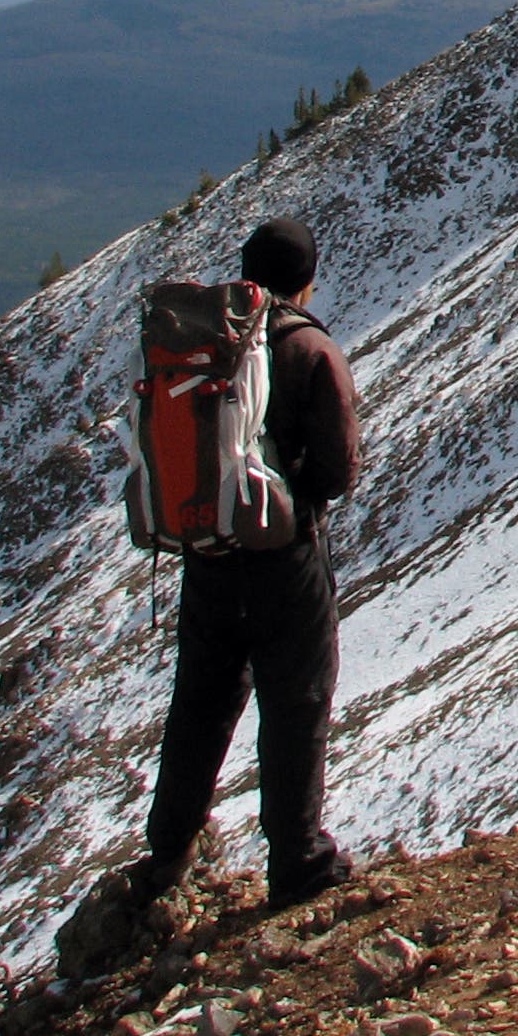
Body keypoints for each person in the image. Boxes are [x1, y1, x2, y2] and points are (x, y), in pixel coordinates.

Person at [132, 216, 360, 908]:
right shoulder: (309, 347)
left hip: (207, 552)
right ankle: (298, 862)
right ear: (307, 280)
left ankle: (167, 851)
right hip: (284, 561)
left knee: (200, 701)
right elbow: (337, 469)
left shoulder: (205, 342)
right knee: (295, 703)